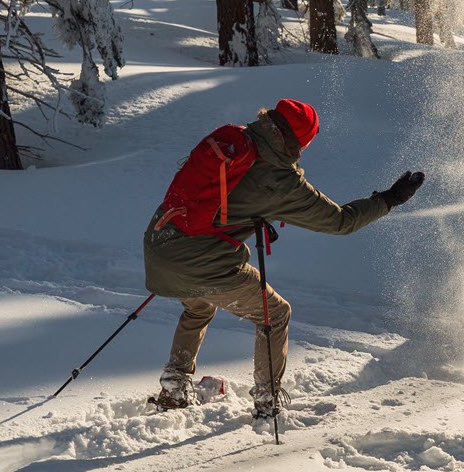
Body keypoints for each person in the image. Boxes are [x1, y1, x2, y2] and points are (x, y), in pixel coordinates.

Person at [143, 99, 424, 419]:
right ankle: (267, 400)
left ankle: (176, 385)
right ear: (301, 140)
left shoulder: (236, 139)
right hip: (198, 261)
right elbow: (340, 222)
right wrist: (389, 199)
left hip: (159, 244)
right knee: (274, 314)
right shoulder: (280, 180)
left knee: (199, 304)